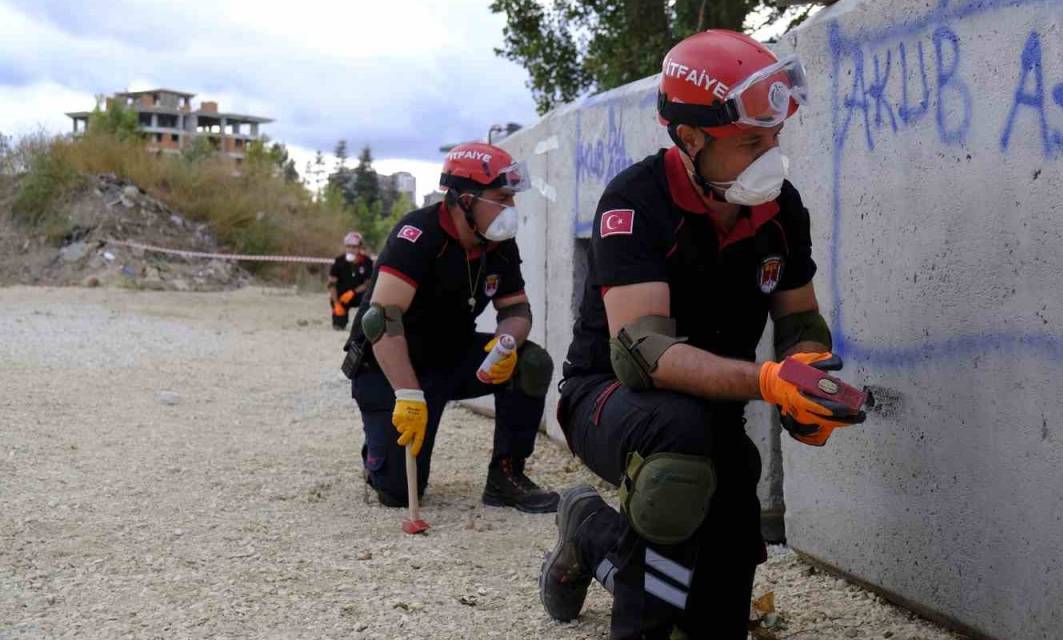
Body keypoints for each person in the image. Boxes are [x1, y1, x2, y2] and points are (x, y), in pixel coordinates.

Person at [539, 30, 868, 638]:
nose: (772, 155)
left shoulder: (782, 209)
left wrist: (809, 376)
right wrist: (770, 381)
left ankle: (591, 533)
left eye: (775, 137)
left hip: (711, 413)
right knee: (678, 458)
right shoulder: (635, 203)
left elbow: (799, 321)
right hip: (605, 398)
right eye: (750, 142)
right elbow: (644, 357)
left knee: (715, 604)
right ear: (689, 138)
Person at [342, 142, 559, 513]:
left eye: (512, 199)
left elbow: (517, 308)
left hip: (449, 356)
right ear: (464, 199)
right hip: (389, 366)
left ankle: (506, 477)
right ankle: (376, 456)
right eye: (501, 198)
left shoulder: (499, 245)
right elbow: (381, 320)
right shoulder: (417, 235)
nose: (511, 209)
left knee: (532, 361)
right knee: (399, 493)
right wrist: (408, 395)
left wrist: (507, 342)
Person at [328, 231, 373, 330]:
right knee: (338, 325)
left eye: (354, 247)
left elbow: (368, 283)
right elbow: (331, 284)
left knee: (369, 298)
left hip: (359, 294)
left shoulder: (367, 262)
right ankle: (339, 320)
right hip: (342, 296)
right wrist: (336, 303)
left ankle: (364, 325)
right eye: (348, 246)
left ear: (359, 247)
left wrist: (353, 292)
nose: (351, 249)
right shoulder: (339, 261)